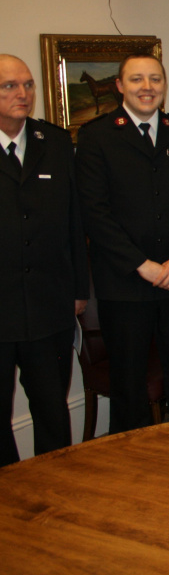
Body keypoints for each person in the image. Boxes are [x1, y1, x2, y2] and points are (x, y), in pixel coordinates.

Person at [76, 53, 169, 434]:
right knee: (130, 384)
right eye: (137, 80)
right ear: (120, 86)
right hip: (125, 282)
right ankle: (134, 466)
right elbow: (95, 214)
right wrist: (143, 265)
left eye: (154, 79)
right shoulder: (97, 136)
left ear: (164, 85)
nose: (146, 87)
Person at [0, 55, 88, 466]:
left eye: (28, 85)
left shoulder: (52, 142)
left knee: (53, 412)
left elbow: (74, 221)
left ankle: (58, 489)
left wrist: (78, 290)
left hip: (49, 304)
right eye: (9, 86)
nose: (23, 94)